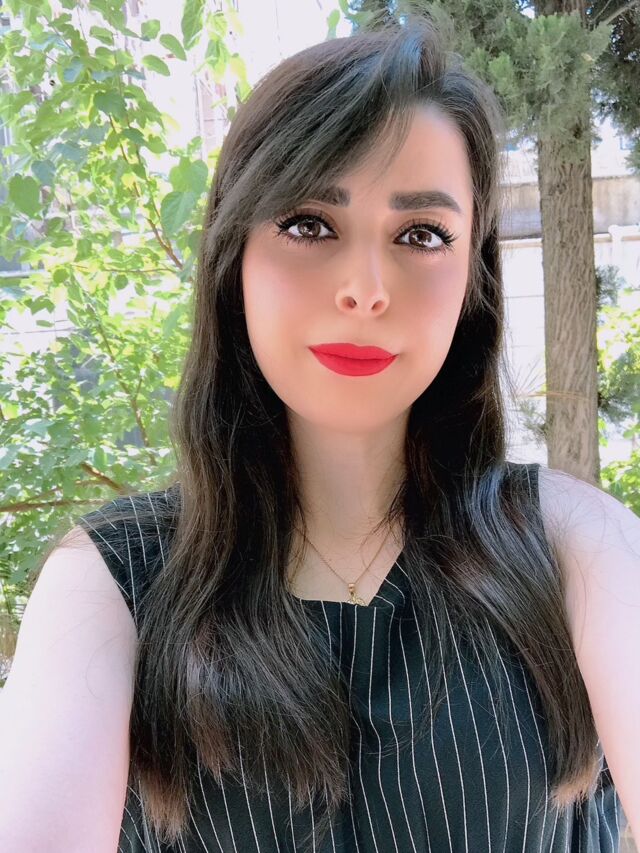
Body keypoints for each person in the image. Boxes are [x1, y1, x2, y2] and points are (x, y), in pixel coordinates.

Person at [0, 12, 631, 853]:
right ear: (235, 257)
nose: (366, 288)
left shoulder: (576, 548)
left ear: (471, 282)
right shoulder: (109, 585)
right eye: (309, 224)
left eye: (421, 235)